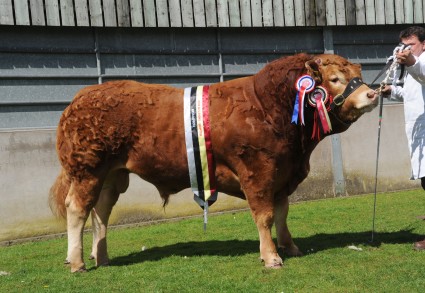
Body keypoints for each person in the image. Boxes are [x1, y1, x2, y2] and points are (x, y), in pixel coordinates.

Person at [381, 26, 425, 250]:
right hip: (418, 130)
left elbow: (423, 74)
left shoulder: (420, 63)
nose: (406, 49)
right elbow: (410, 94)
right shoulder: (412, 67)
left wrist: (409, 62)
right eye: (404, 45)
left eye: (412, 45)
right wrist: (390, 91)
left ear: (424, 44)